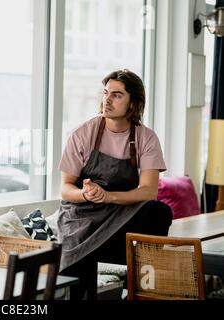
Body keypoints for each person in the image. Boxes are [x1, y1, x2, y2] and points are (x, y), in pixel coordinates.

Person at [57, 69, 173, 300]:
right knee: (77, 286)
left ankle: (140, 291)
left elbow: (148, 191)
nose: (106, 100)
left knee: (159, 211)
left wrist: (108, 197)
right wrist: (87, 194)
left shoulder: (146, 138)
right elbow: (65, 188)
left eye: (117, 95)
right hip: (82, 219)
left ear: (133, 104)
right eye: (105, 93)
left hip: (119, 216)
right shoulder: (82, 134)